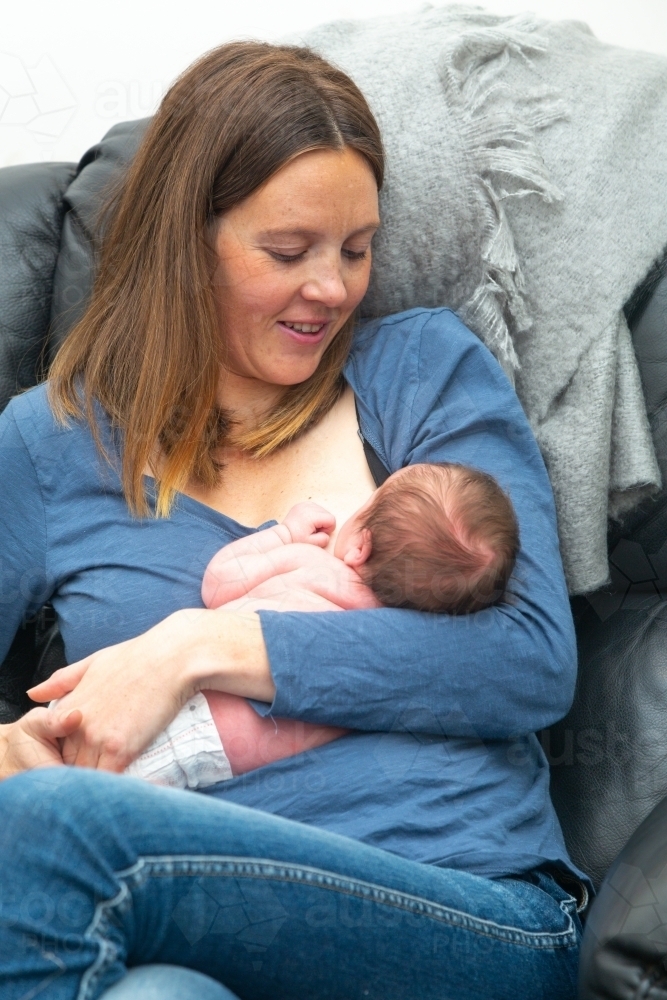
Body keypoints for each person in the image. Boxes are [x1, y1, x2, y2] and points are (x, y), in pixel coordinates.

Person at [0, 40, 585, 1000]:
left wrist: (199, 645)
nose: (334, 288)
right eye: (289, 251)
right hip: (182, 932)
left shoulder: (420, 372)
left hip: (463, 909)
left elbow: (528, 657)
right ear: (186, 241)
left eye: (356, 250)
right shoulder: (50, 444)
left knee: (61, 828)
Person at [121, 461, 520, 790]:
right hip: (231, 756)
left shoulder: (314, 566)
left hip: (196, 705)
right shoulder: (390, 649)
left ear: (360, 546)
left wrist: (284, 534)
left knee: (85, 774)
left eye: (366, 504)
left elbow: (219, 584)